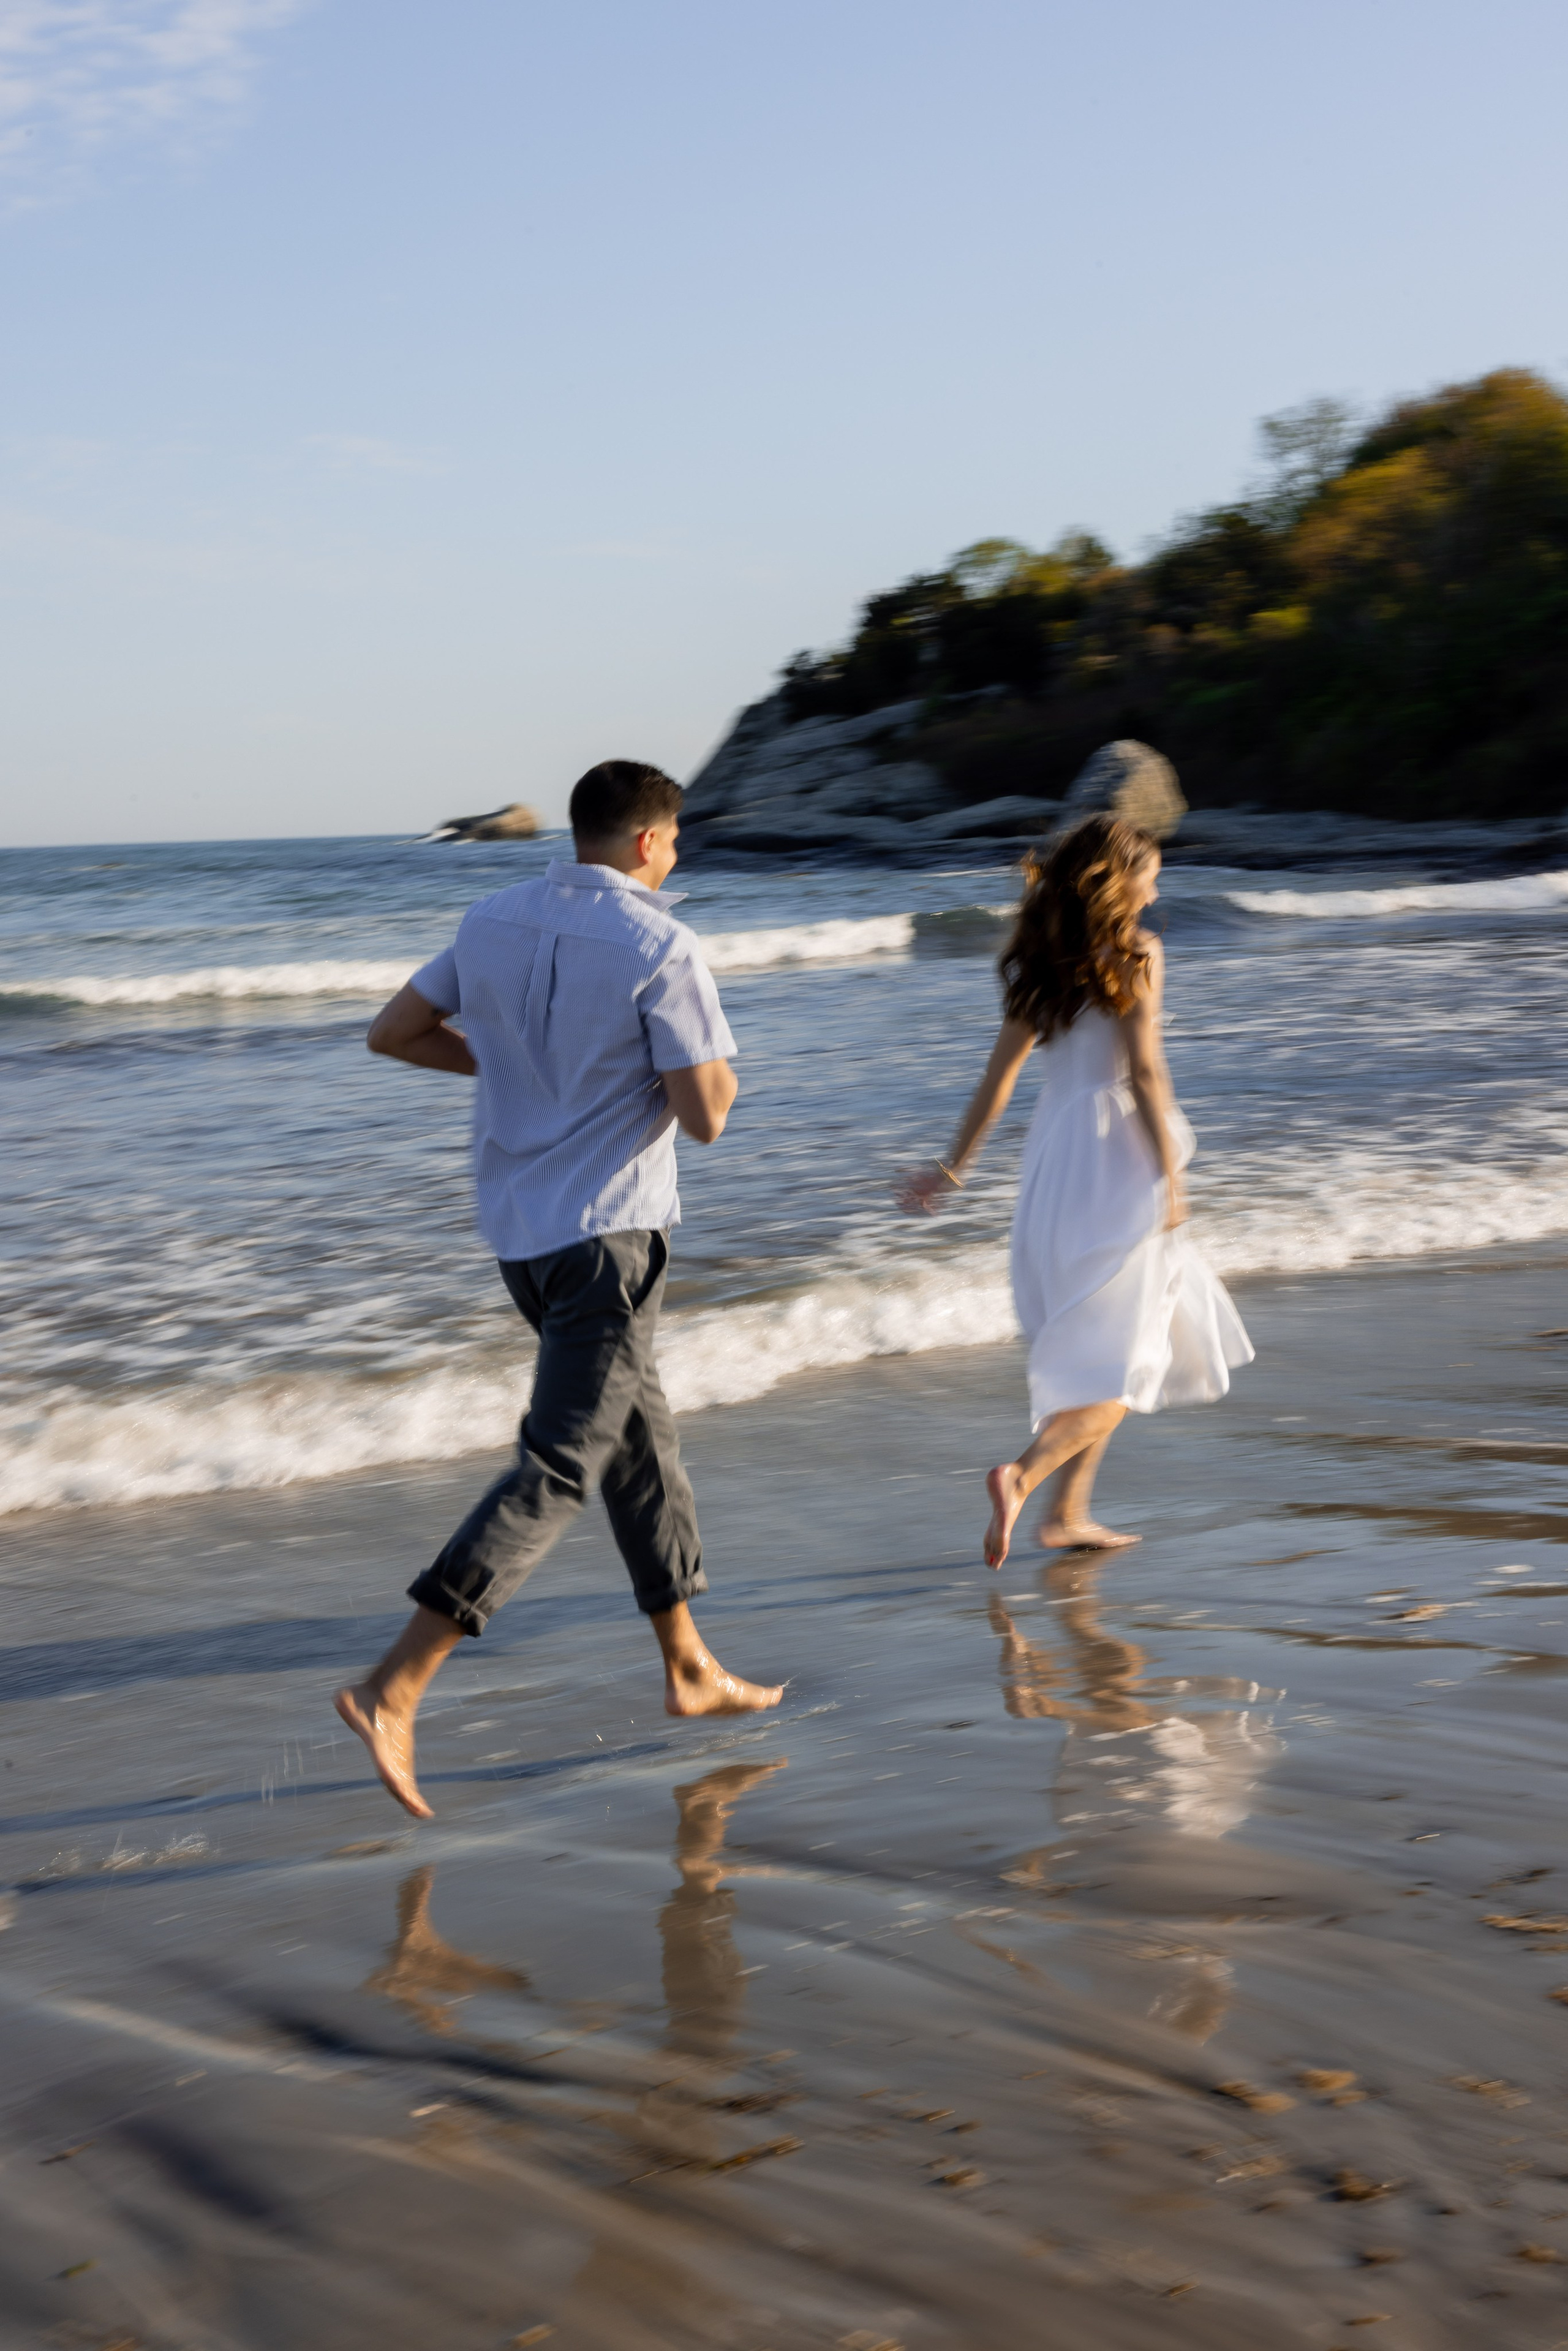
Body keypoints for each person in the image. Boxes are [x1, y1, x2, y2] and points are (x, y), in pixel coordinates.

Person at [336, 760, 782, 1818]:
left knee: (639, 1437)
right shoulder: (660, 942)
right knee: (563, 1462)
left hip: (522, 1240)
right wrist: (679, 1075)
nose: (674, 859)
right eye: (672, 842)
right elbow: (708, 1114)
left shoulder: (491, 918)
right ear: (644, 843)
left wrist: (517, 1075)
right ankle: (396, 1683)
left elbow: (393, 1031)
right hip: (609, 1238)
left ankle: (687, 1663)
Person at [899, 812, 1252, 1566]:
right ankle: (1022, 1476)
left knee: (1103, 1345)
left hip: (1056, 1162)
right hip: (1120, 1158)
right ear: (1115, 879)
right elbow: (1146, 1075)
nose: (1158, 886)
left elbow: (997, 1082)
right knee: (1133, 1353)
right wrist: (1171, 1175)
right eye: (1149, 872)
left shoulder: (1042, 962)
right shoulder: (1136, 954)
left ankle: (1067, 1514)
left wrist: (953, 1168)